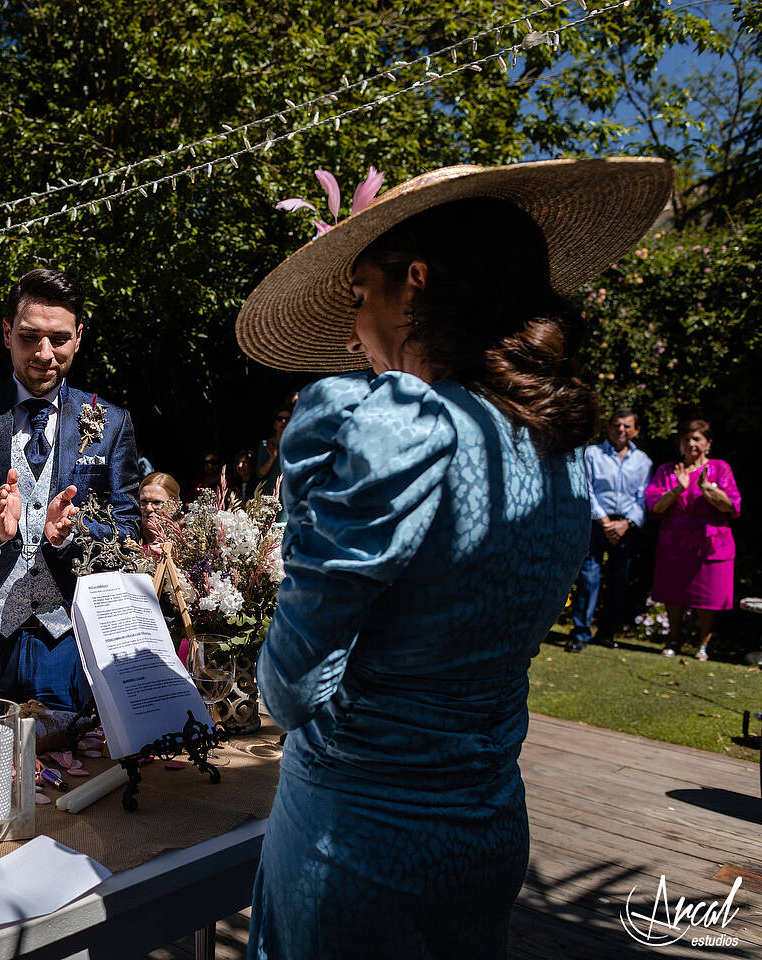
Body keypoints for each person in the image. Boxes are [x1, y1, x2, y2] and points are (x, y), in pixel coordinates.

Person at [233, 157, 672, 959]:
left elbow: (291, 690)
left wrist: (305, 535)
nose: (353, 326)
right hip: (487, 831)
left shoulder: (401, 432)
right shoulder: (558, 450)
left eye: (361, 293)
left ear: (416, 283)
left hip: (357, 846)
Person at [0, 267, 140, 711]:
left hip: (68, 640)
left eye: (58, 339)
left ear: (78, 337)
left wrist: (74, 534)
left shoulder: (111, 422)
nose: (44, 353)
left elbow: (128, 533)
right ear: (6, 333)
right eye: (28, 337)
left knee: (74, 773)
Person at [644, 418, 741, 661]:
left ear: (708, 444)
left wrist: (707, 488)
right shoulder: (668, 470)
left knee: (708, 595)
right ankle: (673, 639)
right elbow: (655, 507)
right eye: (686, 439)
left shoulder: (720, 468)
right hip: (674, 543)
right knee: (673, 591)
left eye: (696, 439)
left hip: (711, 545)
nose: (691, 443)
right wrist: (678, 488)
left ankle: (703, 644)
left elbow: (731, 505)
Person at [568, 407, 653, 651]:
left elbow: (642, 498)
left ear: (636, 430)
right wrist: (604, 521)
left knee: (618, 580)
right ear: (608, 427)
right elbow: (586, 487)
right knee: (588, 577)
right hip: (596, 523)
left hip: (626, 526)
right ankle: (580, 633)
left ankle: (606, 633)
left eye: (627, 426)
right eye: (616, 424)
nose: (621, 430)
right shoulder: (592, 454)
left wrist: (626, 523)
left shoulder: (643, 461)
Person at [254, 394, 297, 498]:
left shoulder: (296, 445)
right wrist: (272, 458)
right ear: (275, 423)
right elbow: (260, 473)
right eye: (280, 418)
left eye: (287, 419)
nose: (283, 422)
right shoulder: (266, 445)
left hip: (290, 495)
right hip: (269, 495)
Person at [138, 471, 182, 548]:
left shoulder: (186, 541)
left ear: (174, 506)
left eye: (156, 502)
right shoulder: (130, 537)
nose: (148, 508)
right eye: (144, 501)